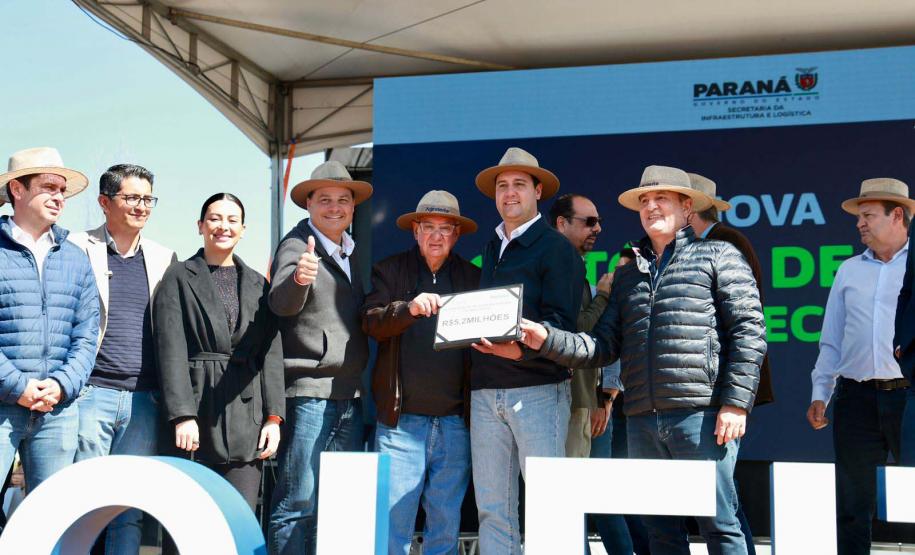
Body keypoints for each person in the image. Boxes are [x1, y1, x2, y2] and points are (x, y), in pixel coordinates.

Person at [515, 165, 766, 554]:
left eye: (660, 199)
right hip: (642, 422)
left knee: (720, 525)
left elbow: (748, 331)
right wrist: (547, 339)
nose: (650, 207)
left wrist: (735, 403)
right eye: (644, 201)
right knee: (660, 532)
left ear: (687, 207)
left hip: (699, 417)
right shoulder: (629, 274)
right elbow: (601, 346)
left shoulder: (720, 255)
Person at [469, 147, 584, 554]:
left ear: (538, 191)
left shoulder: (556, 248)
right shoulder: (491, 244)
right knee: (493, 510)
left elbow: (563, 327)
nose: (510, 193)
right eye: (502, 186)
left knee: (549, 505)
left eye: (519, 184)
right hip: (485, 392)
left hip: (537, 391)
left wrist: (520, 354)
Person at [362, 190, 480, 555]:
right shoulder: (389, 270)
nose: (437, 235)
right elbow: (371, 323)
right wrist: (407, 309)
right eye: (428, 227)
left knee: (444, 527)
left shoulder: (472, 277)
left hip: (455, 423)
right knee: (392, 527)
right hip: (401, 423)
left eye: (446, 228)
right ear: (415, 230)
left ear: (456, 235)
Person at [69, 164, 176, 554]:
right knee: (84, 502)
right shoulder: (77, 247)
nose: (142, 206)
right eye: (132, 197)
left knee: (127, 508)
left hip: (143, 400)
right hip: (90, 394)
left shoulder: (165, 258)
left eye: (148, 199)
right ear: (104, 202)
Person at [154, 193, 284, 510]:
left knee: (237, 518)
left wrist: (274, 418)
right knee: (186, 520)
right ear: (200, 225)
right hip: (196, 414)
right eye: (214, 218)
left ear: (243, 229)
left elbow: (271, 353)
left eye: (231, 220)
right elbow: (170, 349)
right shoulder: (178, 277)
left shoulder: (258, 283)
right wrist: (182, 415)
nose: (222, 226)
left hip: (246, 416)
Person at [267, 161, 372, 555]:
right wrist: (298, 279)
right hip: (310, 394)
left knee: (337, 508)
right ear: (308, 204)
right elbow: (280, 303)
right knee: (296, 504)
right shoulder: (297, 246)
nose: (334, 207)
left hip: (348, 395)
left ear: (353, 207)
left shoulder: (349, 251)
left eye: (343, 200)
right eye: (324, 199)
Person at [807, 179, 912, 555]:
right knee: (852, 505)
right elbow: (831, 338)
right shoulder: (849, 270)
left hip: (909, 397)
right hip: (856, 399)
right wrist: (822, 392)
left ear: (896, 215)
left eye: (867, 215)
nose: (859, 224)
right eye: (859, 217)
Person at [0, 147, 100, 500]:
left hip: (57, 410)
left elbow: (88, 332)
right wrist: (18, 386)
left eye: (62, 190)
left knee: (51, 519)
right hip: (2, 404)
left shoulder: (75, 257)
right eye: (49, 187)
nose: (59, 197)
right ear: (17, 189)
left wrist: (61, 384)